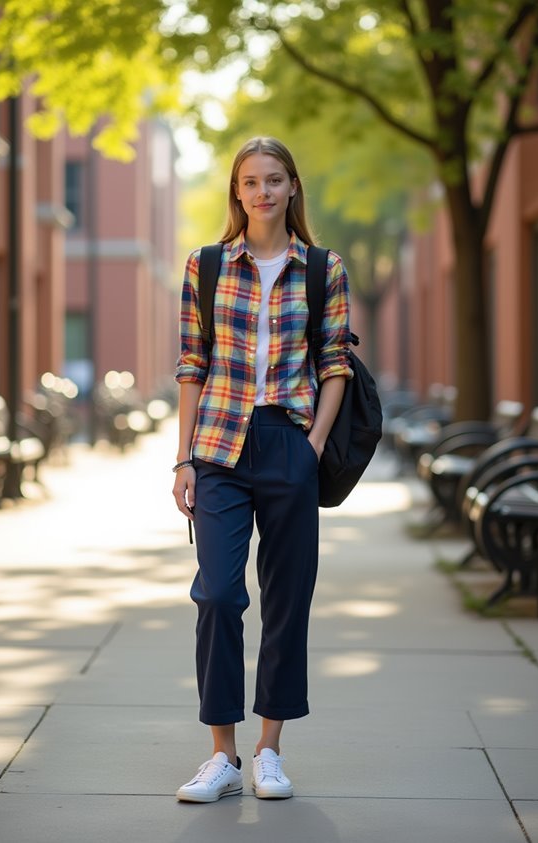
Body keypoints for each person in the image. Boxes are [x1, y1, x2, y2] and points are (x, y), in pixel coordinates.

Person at [172, 136, 352, 803]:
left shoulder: (321, 268)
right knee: (217, 594)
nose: (262, 192)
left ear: (292, 187)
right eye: (250, 181)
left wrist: (311, 444)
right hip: (218, 446)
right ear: (236, 192)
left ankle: (268, 750)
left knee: (286, 602)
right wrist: (184, 455)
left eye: (274, 179)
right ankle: (220, 755)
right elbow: (191, 364)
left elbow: (334, 364)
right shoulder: (207, 265)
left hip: (287, 442)